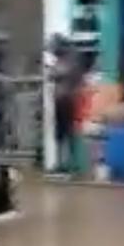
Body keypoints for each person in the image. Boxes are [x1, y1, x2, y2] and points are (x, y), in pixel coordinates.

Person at [46, 34, 84, 174]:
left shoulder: (71, 58)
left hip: (68, 99)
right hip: (60, 99)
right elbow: (52, 75)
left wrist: (53, 71)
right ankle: (60, 164)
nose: (52, 51)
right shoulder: (62, 59)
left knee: (68, 132)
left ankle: (72, 164)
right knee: (59, 133)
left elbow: (57, 73)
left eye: (53, 48)